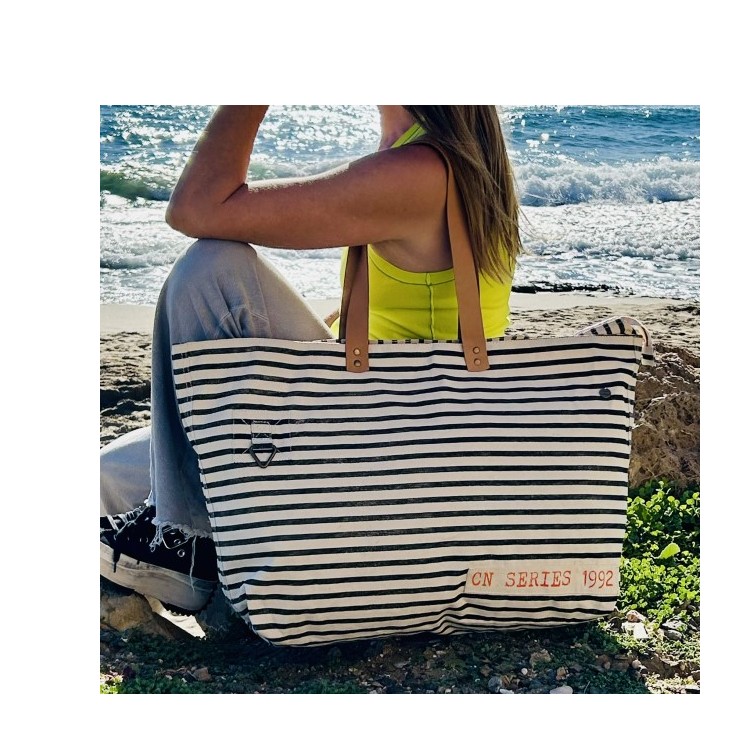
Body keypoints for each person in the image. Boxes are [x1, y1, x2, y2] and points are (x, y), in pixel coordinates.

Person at [100, 105, 522, 613]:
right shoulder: (432, 154)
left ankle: (191, 551)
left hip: (384, 443)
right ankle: (187, 536)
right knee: (102, 478)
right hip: (378, 415)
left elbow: (195, 207)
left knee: (212, 267)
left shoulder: (420, 171)